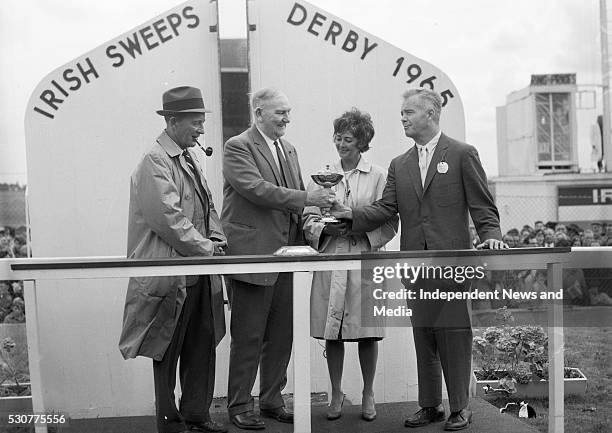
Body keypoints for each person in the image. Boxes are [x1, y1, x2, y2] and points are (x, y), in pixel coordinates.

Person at [331, 88, 506, 431]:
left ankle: (460, 408)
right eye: (402, 113)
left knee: (454, 334)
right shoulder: (400, 164)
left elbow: (482, 205)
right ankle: (430, 406)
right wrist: (349, 214)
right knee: (423, 335)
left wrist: (491, 236)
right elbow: (385, 209)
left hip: (451, 264)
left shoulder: (461, 153)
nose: (403, 118)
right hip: (414, 265)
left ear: (431, 114)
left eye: (409, 112)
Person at [221, 88, 335, 430]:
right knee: (249, 334)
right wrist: (308, 197)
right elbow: (257, 189)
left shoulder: (289, 148)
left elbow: (295, 201)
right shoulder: (237, 146)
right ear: (259, 113)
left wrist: (315, 228)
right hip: (253, 255)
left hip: (289, 255)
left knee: (281, 332)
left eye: (288, 112)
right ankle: (240, 405)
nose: (287, 118)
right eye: (280, 113)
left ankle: (271, 400)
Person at [118, 86, 228, 433]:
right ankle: (170, 422)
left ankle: (197, 415)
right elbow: (168, 218)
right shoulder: (155, 159)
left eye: (201, 122)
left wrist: (217, 239)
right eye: (195, 122)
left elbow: (207, 208)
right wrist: (209, 249)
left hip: (195, 271)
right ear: (172, 120)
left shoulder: (187, 155)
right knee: (166, 347)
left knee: (202, 343)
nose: (200, 130)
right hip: (174, 273)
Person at [302, 108, 397, 422]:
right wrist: (323, 228)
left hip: (365, 261)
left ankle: (368, 393)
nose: (341, 144)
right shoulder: (323, 174)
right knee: (334, 332)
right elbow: (308, 219)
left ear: (363, 143)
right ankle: (336, 392)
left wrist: (356, 227)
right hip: (332, 260)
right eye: (338, 137)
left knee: (368, 333)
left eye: (349, 139)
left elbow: (389, 221)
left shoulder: (380, 175)